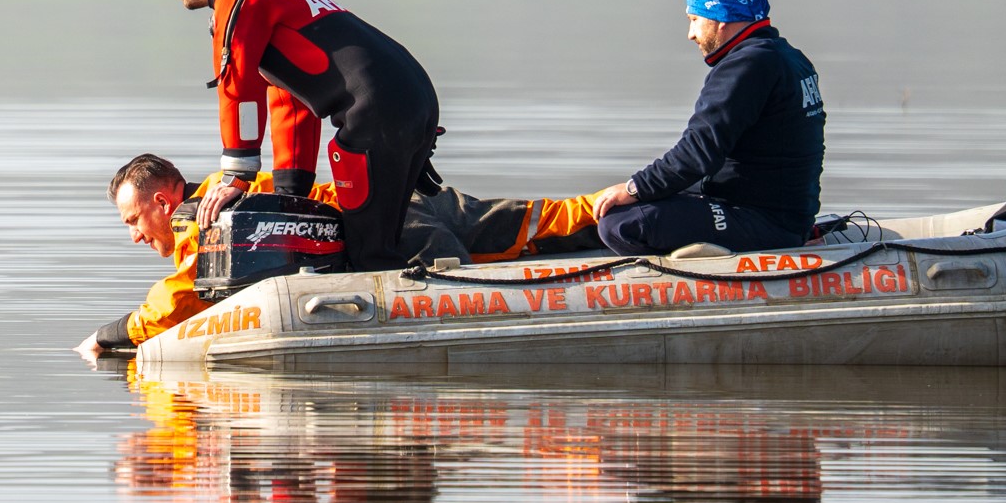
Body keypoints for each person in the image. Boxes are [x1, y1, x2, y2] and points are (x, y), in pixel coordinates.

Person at [77, 152, 611, 361]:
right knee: (543, 221)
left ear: (163, 202)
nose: (135, 236)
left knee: (517, 239)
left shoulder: (201, 216)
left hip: (396, 234)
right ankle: (637, 202)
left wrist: (108, 334)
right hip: (401, 197)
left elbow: (176, 302)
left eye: (133, 221)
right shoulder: (226, 186)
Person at [160, 0, 441, 270]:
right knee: (379, 240)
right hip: (409, 95)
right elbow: (290, 99)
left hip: (377, 110)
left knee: (371, 256)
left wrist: (237, 176)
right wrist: (290, 191)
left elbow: (238, 89)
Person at [591, 0, 825, 257]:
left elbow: (698, 152)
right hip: (786, 215)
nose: (691, 33)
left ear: (721, 18)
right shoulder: (790, 58)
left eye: (694, 19)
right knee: (617, 204)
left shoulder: (746, 65)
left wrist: (635, 188)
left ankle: (695, 278)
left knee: (619, 224)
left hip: (764, 221)